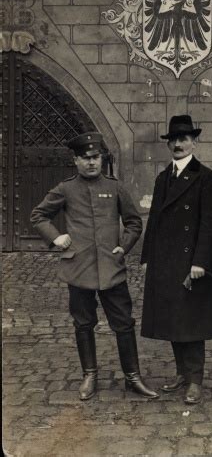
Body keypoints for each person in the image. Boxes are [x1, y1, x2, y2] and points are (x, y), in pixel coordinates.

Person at [30, 132, 158, 401]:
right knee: (83, 323)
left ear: (102, 159)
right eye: (85, 158)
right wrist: (56, 236)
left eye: (96, 157)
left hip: (111, 268)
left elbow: (134, 222)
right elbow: (38, 215)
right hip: (78, 269)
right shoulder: (65, 189)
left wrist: (124, 246)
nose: (91, 163)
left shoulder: (115, 187)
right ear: (75, 161)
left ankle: (132, 377)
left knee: (123, 323)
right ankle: (90, 375)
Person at [141, 115, 212, 404]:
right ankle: (181, 374)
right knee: (172, 318)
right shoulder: (164, 177)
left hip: (192, 261)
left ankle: (195, 381)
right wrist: (148, 257)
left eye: (184, 139)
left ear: (194, 142)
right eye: (173, 139)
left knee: (192, 320)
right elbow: (155, 219)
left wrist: (200, 261)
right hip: (165, 261)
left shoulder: (206, 177)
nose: (178, 144)